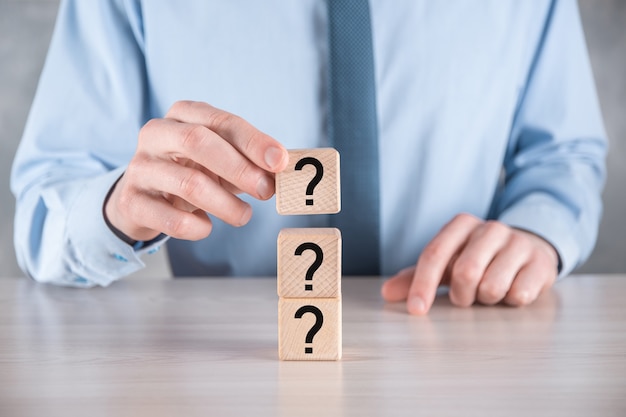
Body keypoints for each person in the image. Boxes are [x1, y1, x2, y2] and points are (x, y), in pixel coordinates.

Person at [11, 0, 607, 315]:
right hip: (228, 364)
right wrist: (114, 209)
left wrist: (537, 229)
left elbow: (564, 153)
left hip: (460, 335)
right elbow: (50, 200)